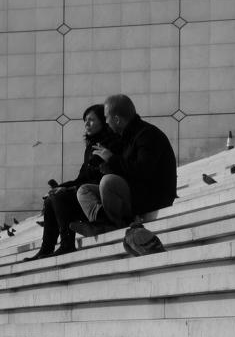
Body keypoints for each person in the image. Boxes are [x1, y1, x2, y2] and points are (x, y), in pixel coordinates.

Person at [71, 94, 177, 237]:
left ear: (117, 119)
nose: (106, 122)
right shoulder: (127, 137)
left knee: (108, 182)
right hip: (137, 192)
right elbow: (129, 170)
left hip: (154, 196)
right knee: (84, 191)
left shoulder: (147, 135)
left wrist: (112, 159)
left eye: (107, 117)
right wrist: (109, 167)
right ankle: (103, 223)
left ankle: (112, 225)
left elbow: (143, 172)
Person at [23, 105, 118, 261]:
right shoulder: (91, 147)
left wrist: (68, 189)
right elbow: (81, 178)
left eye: (92, 120)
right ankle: (46, 248)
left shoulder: (110, 144)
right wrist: (60, 187)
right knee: (51, 198)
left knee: (60, 198)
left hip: (98, 198)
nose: (86, 124)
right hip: (84, 192)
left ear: (103, 122)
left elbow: (99, 179)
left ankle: (67, 243)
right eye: (85, 120)